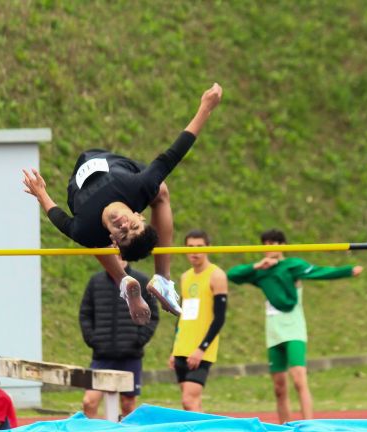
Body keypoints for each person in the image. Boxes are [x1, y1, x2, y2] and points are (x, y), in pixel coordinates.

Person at [23, 83, 223, 325]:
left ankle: (126, 279)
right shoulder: (139, 187)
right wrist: (205, 109)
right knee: (161, 190)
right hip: (117, 168)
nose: (124, 224)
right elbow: (174, 153)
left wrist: (41, 193)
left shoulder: (87, 229)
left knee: (93, 240)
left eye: (123, 233)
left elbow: (59, 218)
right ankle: (159, 277)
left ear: (115, 240)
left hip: (79, 191)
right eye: (133, 226)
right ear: (140, 216)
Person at [226, 229, 363, 423]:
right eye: (264, 244)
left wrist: (348, 271)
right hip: (273, 332)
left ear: (283, 246)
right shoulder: (261, 271)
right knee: (279, 387)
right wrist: (257, 266)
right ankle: (285, 427)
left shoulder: (292, 266)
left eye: (273, 243)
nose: (268, 248)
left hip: (294, 330)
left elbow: (321, 272)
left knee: (299, 379)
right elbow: (232, 275)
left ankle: (308, 425)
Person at [79, 256, 159, 418]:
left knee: (128, 405)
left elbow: (153, 315)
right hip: (102, 356)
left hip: (130, 355)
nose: (116, 258)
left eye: (119, 253)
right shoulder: (96, 282)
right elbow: (85, 313)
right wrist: (92, 339)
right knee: (89, 401)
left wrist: (139, 340)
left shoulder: (141, 281)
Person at [169, 230, 228, 412]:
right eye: (191, 247)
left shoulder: (216, 276)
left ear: (208, 248)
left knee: (189, 400)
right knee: (190, 405)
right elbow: (183, 315)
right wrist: (174, 348)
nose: (195, 252)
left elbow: (220, 318)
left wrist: (202, 349)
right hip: (182, 347)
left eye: (200, 247)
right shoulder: (185, 277)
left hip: (201, 349)